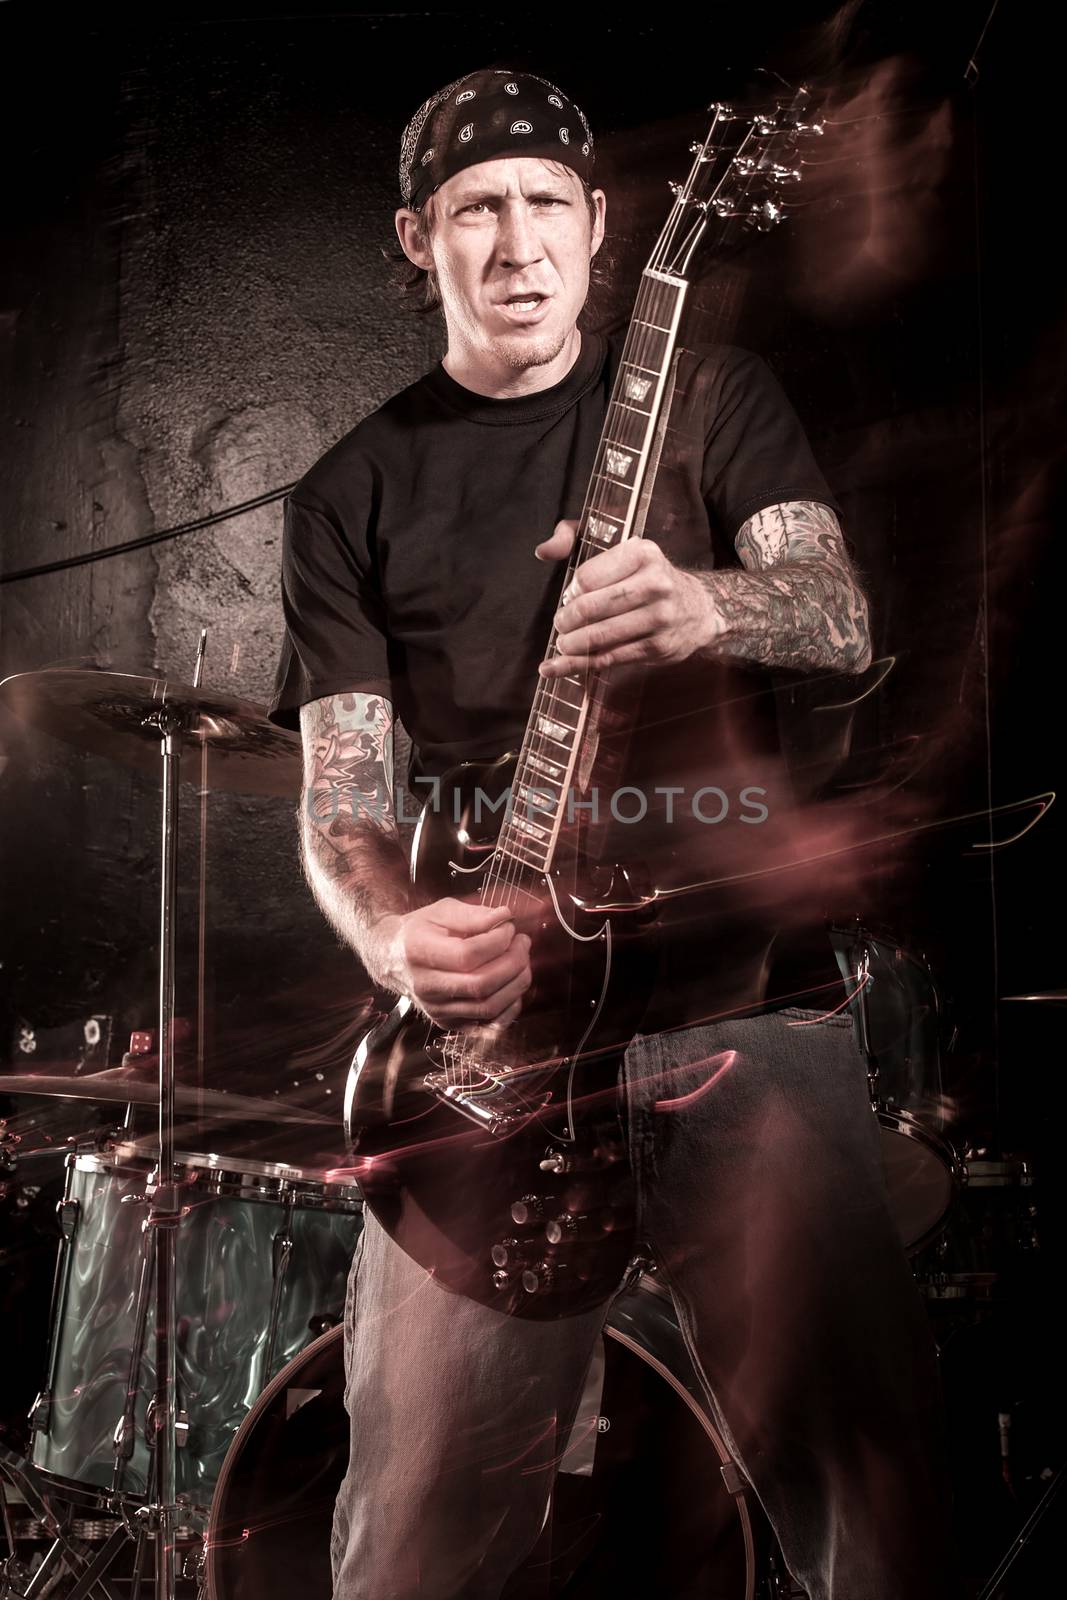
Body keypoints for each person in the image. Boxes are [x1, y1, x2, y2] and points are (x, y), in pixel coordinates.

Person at [269, 67, 957, 1600]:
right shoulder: (347, 495)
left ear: (599, 223)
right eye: (473, 212)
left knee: (878, 1511)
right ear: (415, 239)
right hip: (496, 1060)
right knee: (414, 1542)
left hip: (737, 1020)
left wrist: (708, 601)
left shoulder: (716, 400)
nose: (516, 245)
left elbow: (839, 616)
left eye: (543, 204)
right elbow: (343, 797)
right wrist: (392, 934)